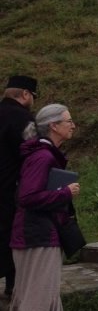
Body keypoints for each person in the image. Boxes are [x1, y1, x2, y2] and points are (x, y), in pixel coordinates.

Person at [5, 103, 79, 311]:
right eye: (68, 121)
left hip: (34, 234)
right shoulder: (42, 157)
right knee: (35, 299)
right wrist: (65, 193)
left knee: (39, 295)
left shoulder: (43, 154)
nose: (72, 125)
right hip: (36, 236)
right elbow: (26, 198)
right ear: (54, 126)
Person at [0, 76, 37, 299]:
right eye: (32, 96)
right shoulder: (23, 118)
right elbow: (31, 153)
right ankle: (14, 287)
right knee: (14, 236)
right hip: (11, 189)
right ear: (25, 94)